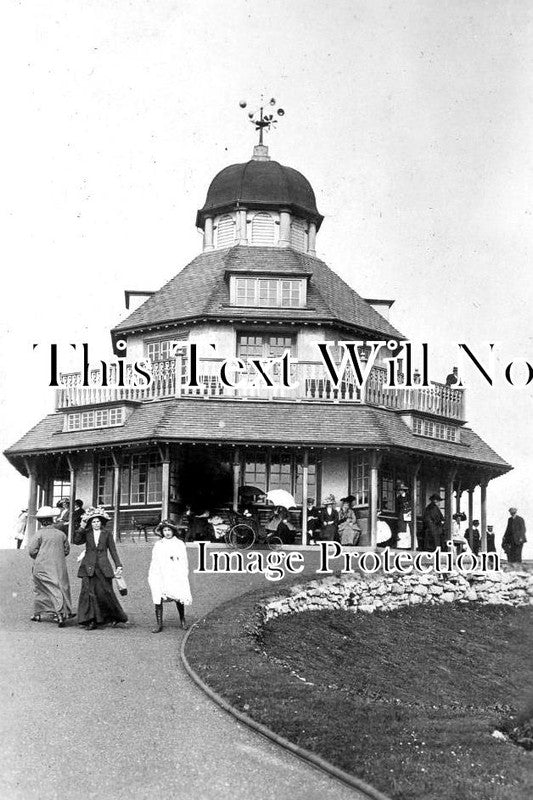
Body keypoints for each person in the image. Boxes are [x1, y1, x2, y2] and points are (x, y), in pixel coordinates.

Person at [73, 506, 128, 630]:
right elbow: (76, 541)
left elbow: (113, 550)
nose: (96, 524)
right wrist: (81, 526)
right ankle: (90, 620)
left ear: (101, 522)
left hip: (103, 567)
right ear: (90, 523)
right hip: (88, 566)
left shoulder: (107, 534)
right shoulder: (86, 533)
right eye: (93, 522)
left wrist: (118, 565)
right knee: (88, 593)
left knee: (106, 592)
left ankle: (115, 617)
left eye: (98, 521)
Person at [28, 506, 72, 627]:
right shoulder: (61, 534)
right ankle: (61, 613)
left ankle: (39, 613)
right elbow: (67, 550)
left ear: (41, 521)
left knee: (41, 588)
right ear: (52, 520)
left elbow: (32, 551)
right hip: (59, 566)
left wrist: (40, 556)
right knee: (59, 587)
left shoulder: (39, 534)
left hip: (42, 566)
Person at [148, 519, 192, 632]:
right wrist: (153, 573)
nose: (167, 532)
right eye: (165, 530)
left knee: (178, 596)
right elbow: (155, 560)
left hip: (174, 573)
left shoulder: (179, 544)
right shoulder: (159, 544)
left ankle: (182, 619)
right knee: (158, 595)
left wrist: (182, 573)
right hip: (161, 573)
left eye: (169, 530)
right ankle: (159, 623)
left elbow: (183, 560)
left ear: (173, 531)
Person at [395, 484, 412, 549]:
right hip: (402, 514)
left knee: (409, 529)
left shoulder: (409, 497)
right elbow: (398, 507)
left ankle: (409, 545)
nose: (400, 491)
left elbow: (411, 504)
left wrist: (409, 509)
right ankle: (402, 545)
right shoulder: (398, 498)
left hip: (409, 513)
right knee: (402, 528)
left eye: (401, 490)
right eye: (399, 490)